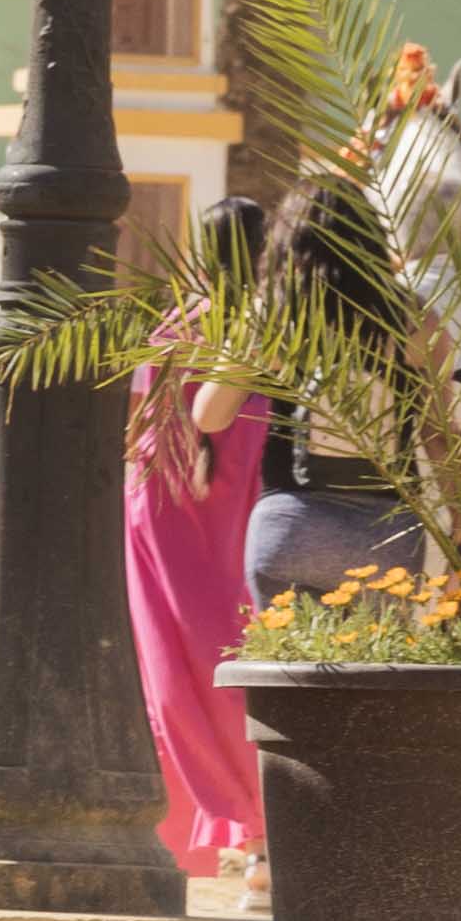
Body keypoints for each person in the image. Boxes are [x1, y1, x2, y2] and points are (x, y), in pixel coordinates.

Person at [126, 195, 272, 882]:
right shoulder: (270, 328)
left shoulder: (178, 320)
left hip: (160, 495)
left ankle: (189, 830)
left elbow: (140, 418)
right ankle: (254, 819)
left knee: (168, 671)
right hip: (238, 503)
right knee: (235, 660)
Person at [229, 188, 423, 598]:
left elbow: (209, 415)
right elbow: (442, 435)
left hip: (291, 524)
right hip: (389, 536)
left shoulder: (271, 315)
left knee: (284, 661)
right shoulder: (413, 319)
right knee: (381, 660)